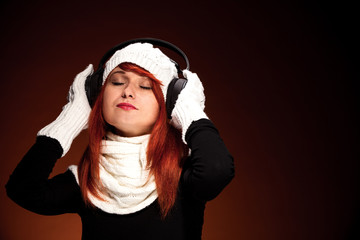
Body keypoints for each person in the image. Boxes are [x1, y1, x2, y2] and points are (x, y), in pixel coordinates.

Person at [6, 40, 234, 240]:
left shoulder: (184, 172)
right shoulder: (87, 179)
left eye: (145, 86)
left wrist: (189, 111)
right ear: (97, 95)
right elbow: (22, 189)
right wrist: (71, 118)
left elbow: (216, 170)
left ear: (169, 103)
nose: (128, 91)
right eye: (116, 82)